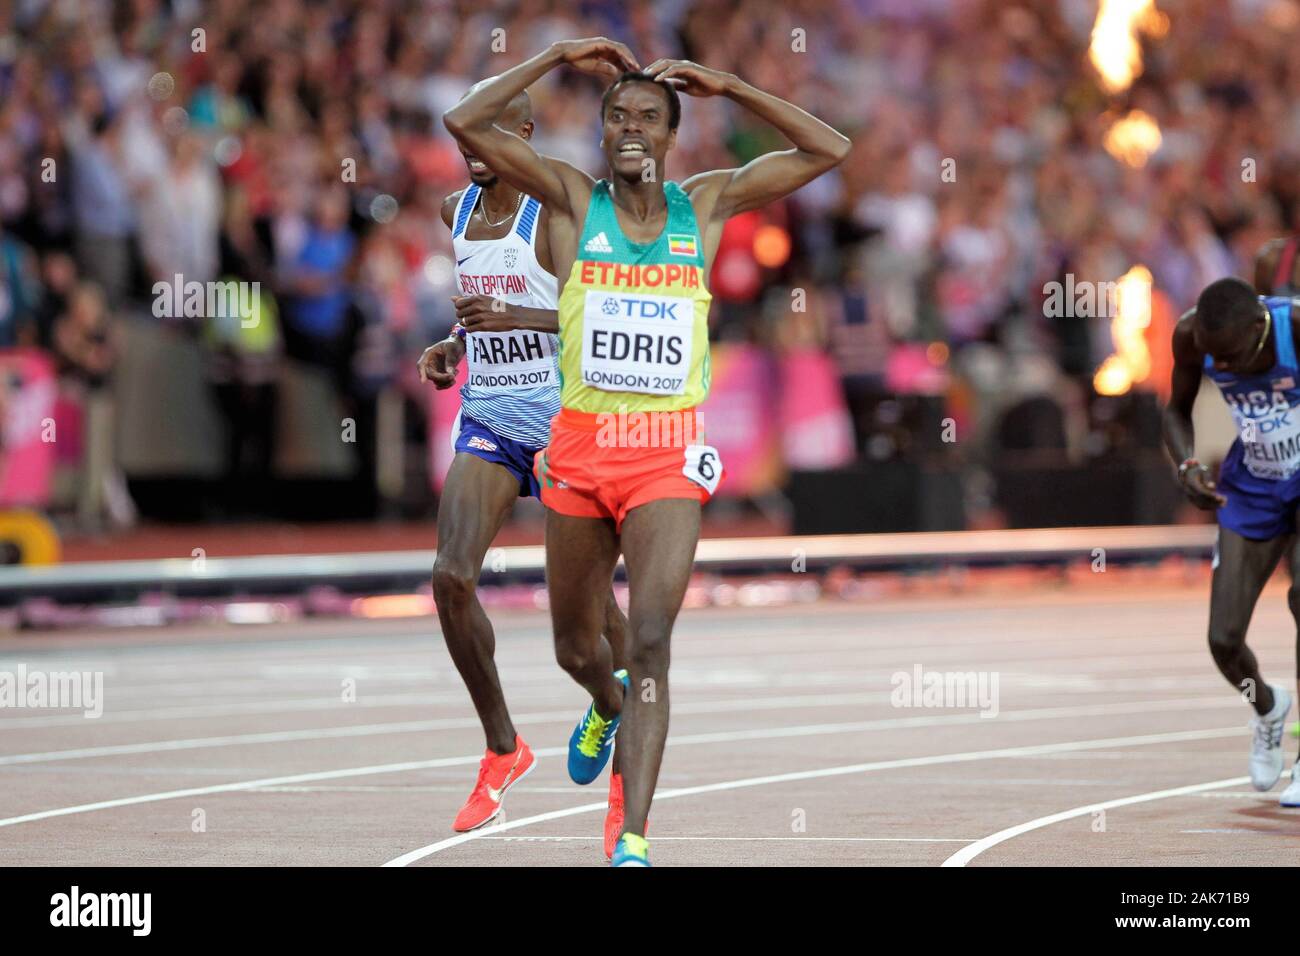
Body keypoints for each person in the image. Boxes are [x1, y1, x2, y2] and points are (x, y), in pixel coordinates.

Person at [443, 38, 850, 865]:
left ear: (670, 135)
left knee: (655, 639)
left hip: (664, 452)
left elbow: (828, 148)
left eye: (649, 119)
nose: (632, 129)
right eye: (618, 116)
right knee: (577, 646)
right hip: (582, 451)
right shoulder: (565, 199)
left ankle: (632, 837)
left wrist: (731, 82)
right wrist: (556, 54)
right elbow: (466, 119)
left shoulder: (704, 205)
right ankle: (603, 700)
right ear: (601, 131)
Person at [418, 86, 628, 835]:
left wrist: (515, 319)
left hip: (561, 420)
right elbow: (478, 305)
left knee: (594, 619)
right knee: (449, 577)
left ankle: (614, 710)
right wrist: (454, 344)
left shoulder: (555, 213)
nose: (473, 151)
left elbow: (589, 315)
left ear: (525, 135)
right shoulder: (457, 214)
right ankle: (502, 748)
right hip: (491, 415)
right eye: (465, 139)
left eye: (490, 137)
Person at [1163, 275, 1300, 805]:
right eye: (1221, 361)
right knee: (1223, 639)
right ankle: (1268, 707)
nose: (1233, 370)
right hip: (1255, 485)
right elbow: (1175, 410)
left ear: (1260, 327)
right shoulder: (1191, 334)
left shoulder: (1294, 326)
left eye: (1240, 357)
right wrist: (1188, 465)